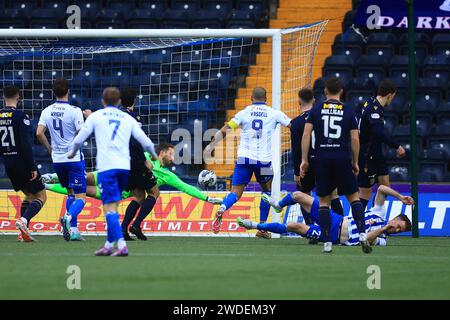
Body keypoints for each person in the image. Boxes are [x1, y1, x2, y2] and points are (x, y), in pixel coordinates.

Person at [67, 87, 158, 257]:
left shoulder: (97, 115)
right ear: (118, 102)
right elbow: (145, 141)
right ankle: (109, 245)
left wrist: (72, 153)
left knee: (109, 206)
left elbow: (80, 138)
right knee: (114, 205)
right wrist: (152, 156)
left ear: (103, 101)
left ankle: (121, 245)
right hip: (124, 167)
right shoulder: (127, 118)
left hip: (107, 166)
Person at [204, 87, 292, 237]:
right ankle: (262, 228)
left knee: (236, 193)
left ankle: (223, 208)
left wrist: (211, 145)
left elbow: (226, 129)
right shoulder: (274, 113)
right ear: (266, 99)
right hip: (264, 162)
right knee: (266, 191)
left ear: (251, 98)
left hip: (244, 159)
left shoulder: (244, 113)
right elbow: (293, 125)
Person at [44, 144, 223, 215]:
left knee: (84, 188)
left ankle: (47, 184)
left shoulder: (169, 175)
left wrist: (206, 198)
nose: (174, 158)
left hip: (121, 184)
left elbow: (186, 187)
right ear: (162, 152)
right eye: (172, 153)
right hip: (118, 180)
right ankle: (51, 177)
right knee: (85, 182)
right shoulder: (145, 156)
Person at [300, 77, 370, 254]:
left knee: (324, 202)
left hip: (322, 158)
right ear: (341, 91)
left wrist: (304, 160)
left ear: (325, 91)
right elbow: (355, 138)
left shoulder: (316, 110)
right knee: (354, 198)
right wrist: (354, 161)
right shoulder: (348, 110)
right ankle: (362, 235)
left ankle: (327, 243)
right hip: (341, 157)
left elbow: (306, 134)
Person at [239, 185, 413, 246]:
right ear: (395, 218)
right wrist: (400, 197)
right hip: (336, 219)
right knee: (299, 196)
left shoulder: (383, 239)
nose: (395, 229)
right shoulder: (380, 214)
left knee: (294, 226)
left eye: (399, 231)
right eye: (398, 225)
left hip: (332, 236)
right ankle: (277, 205)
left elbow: (366, 239)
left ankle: (254, 226)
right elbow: (381, 189)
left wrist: (383, 229)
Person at [36, 78, 86, 241]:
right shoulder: (75, 110)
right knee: (81, 197)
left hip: (57, 159)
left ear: (53, 92)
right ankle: (68, 217)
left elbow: (38, 133)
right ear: (68, 91)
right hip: (73, 159)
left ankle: (74, 231)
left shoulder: (46, 110)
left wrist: (49, 148)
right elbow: (81, 132)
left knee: (70, 192)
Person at [289, 88, 343, 226]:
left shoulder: (295, 123)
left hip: (305, 164)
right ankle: (342, 225)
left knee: (305, 195)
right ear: (314, 100)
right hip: (323, 161)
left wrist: (296, 172)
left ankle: (310, 228)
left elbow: (296, 150)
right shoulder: (321, 117)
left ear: (298, 101)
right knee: (332, 194)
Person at [0, 85, 47, 242]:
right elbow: (26, 145)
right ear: (18, 97)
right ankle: (24, 221)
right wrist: (32, 167)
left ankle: (23, 232)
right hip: (22, 163)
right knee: (41, 196)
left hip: (8, 163)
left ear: (3, 97)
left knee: (29, 195)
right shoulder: (21, 117)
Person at [116, 87, 158, 241]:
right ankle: (136, 225)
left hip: (122, 161)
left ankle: (123, 230)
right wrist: (144, 160)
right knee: (154, 192)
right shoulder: (133, 117)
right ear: (134, 100)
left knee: (139, 196)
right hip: (135, 161)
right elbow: (136, 141)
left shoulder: (116, 115)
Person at [358, 80, 406, 210]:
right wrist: (397, 146)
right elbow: (378, 131)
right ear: (389, 95)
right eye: (393, 97)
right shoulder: (374, 108)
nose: (392, 100)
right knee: (365, 193)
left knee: (385, 186)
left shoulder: (372, 102)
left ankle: (375, 217)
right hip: (368, 154)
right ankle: (354, 221)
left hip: (377, 153)